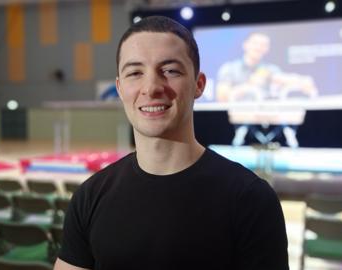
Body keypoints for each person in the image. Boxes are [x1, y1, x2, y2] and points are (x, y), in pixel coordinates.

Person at [54, 16, 289, 270]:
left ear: (198, 85)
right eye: (135, 73)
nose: (152, 87)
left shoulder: (251, 199)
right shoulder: (89, 196)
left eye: (170, 71)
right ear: (120, 89)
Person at [216, 32, 318, 102]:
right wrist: (249, 85)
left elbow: (285, 78)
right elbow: (222, 97)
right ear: (245, 45)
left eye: (263, 45)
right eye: (255, 43)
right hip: (238, 118)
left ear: (267, 49)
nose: (258, 47)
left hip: (268, 118)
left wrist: (302, 81)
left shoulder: (270, 69)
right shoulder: (230, 68)